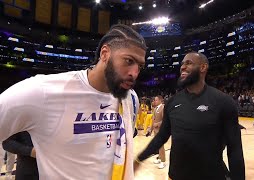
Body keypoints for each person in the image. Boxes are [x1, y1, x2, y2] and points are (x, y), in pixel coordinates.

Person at [0, 24, 146, 180]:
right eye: (128, 61)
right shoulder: (43, 91)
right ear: (105, 53)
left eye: (140, 66)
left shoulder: (130, 98)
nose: (134, 73)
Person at [135, 52, 245, 180]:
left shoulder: (223, 102)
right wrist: (138, 159)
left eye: (189, 63)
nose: (183, 67)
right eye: (182, 64)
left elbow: (235, 150)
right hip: (176, 176)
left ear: (203, 68)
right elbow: (161, 137)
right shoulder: (172, 102)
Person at [149, 95, 166, 169]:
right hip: (155, 131)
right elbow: (153, 119)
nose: (154, 101)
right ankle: (159, 158)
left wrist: (157, 124)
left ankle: (163, 162)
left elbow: (165, 120)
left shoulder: (163, 108)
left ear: (160, 100)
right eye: (154, 100)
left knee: (161, 146)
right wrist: (150, 129)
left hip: (161, 130)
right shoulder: (155, 108)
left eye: (156, 100)